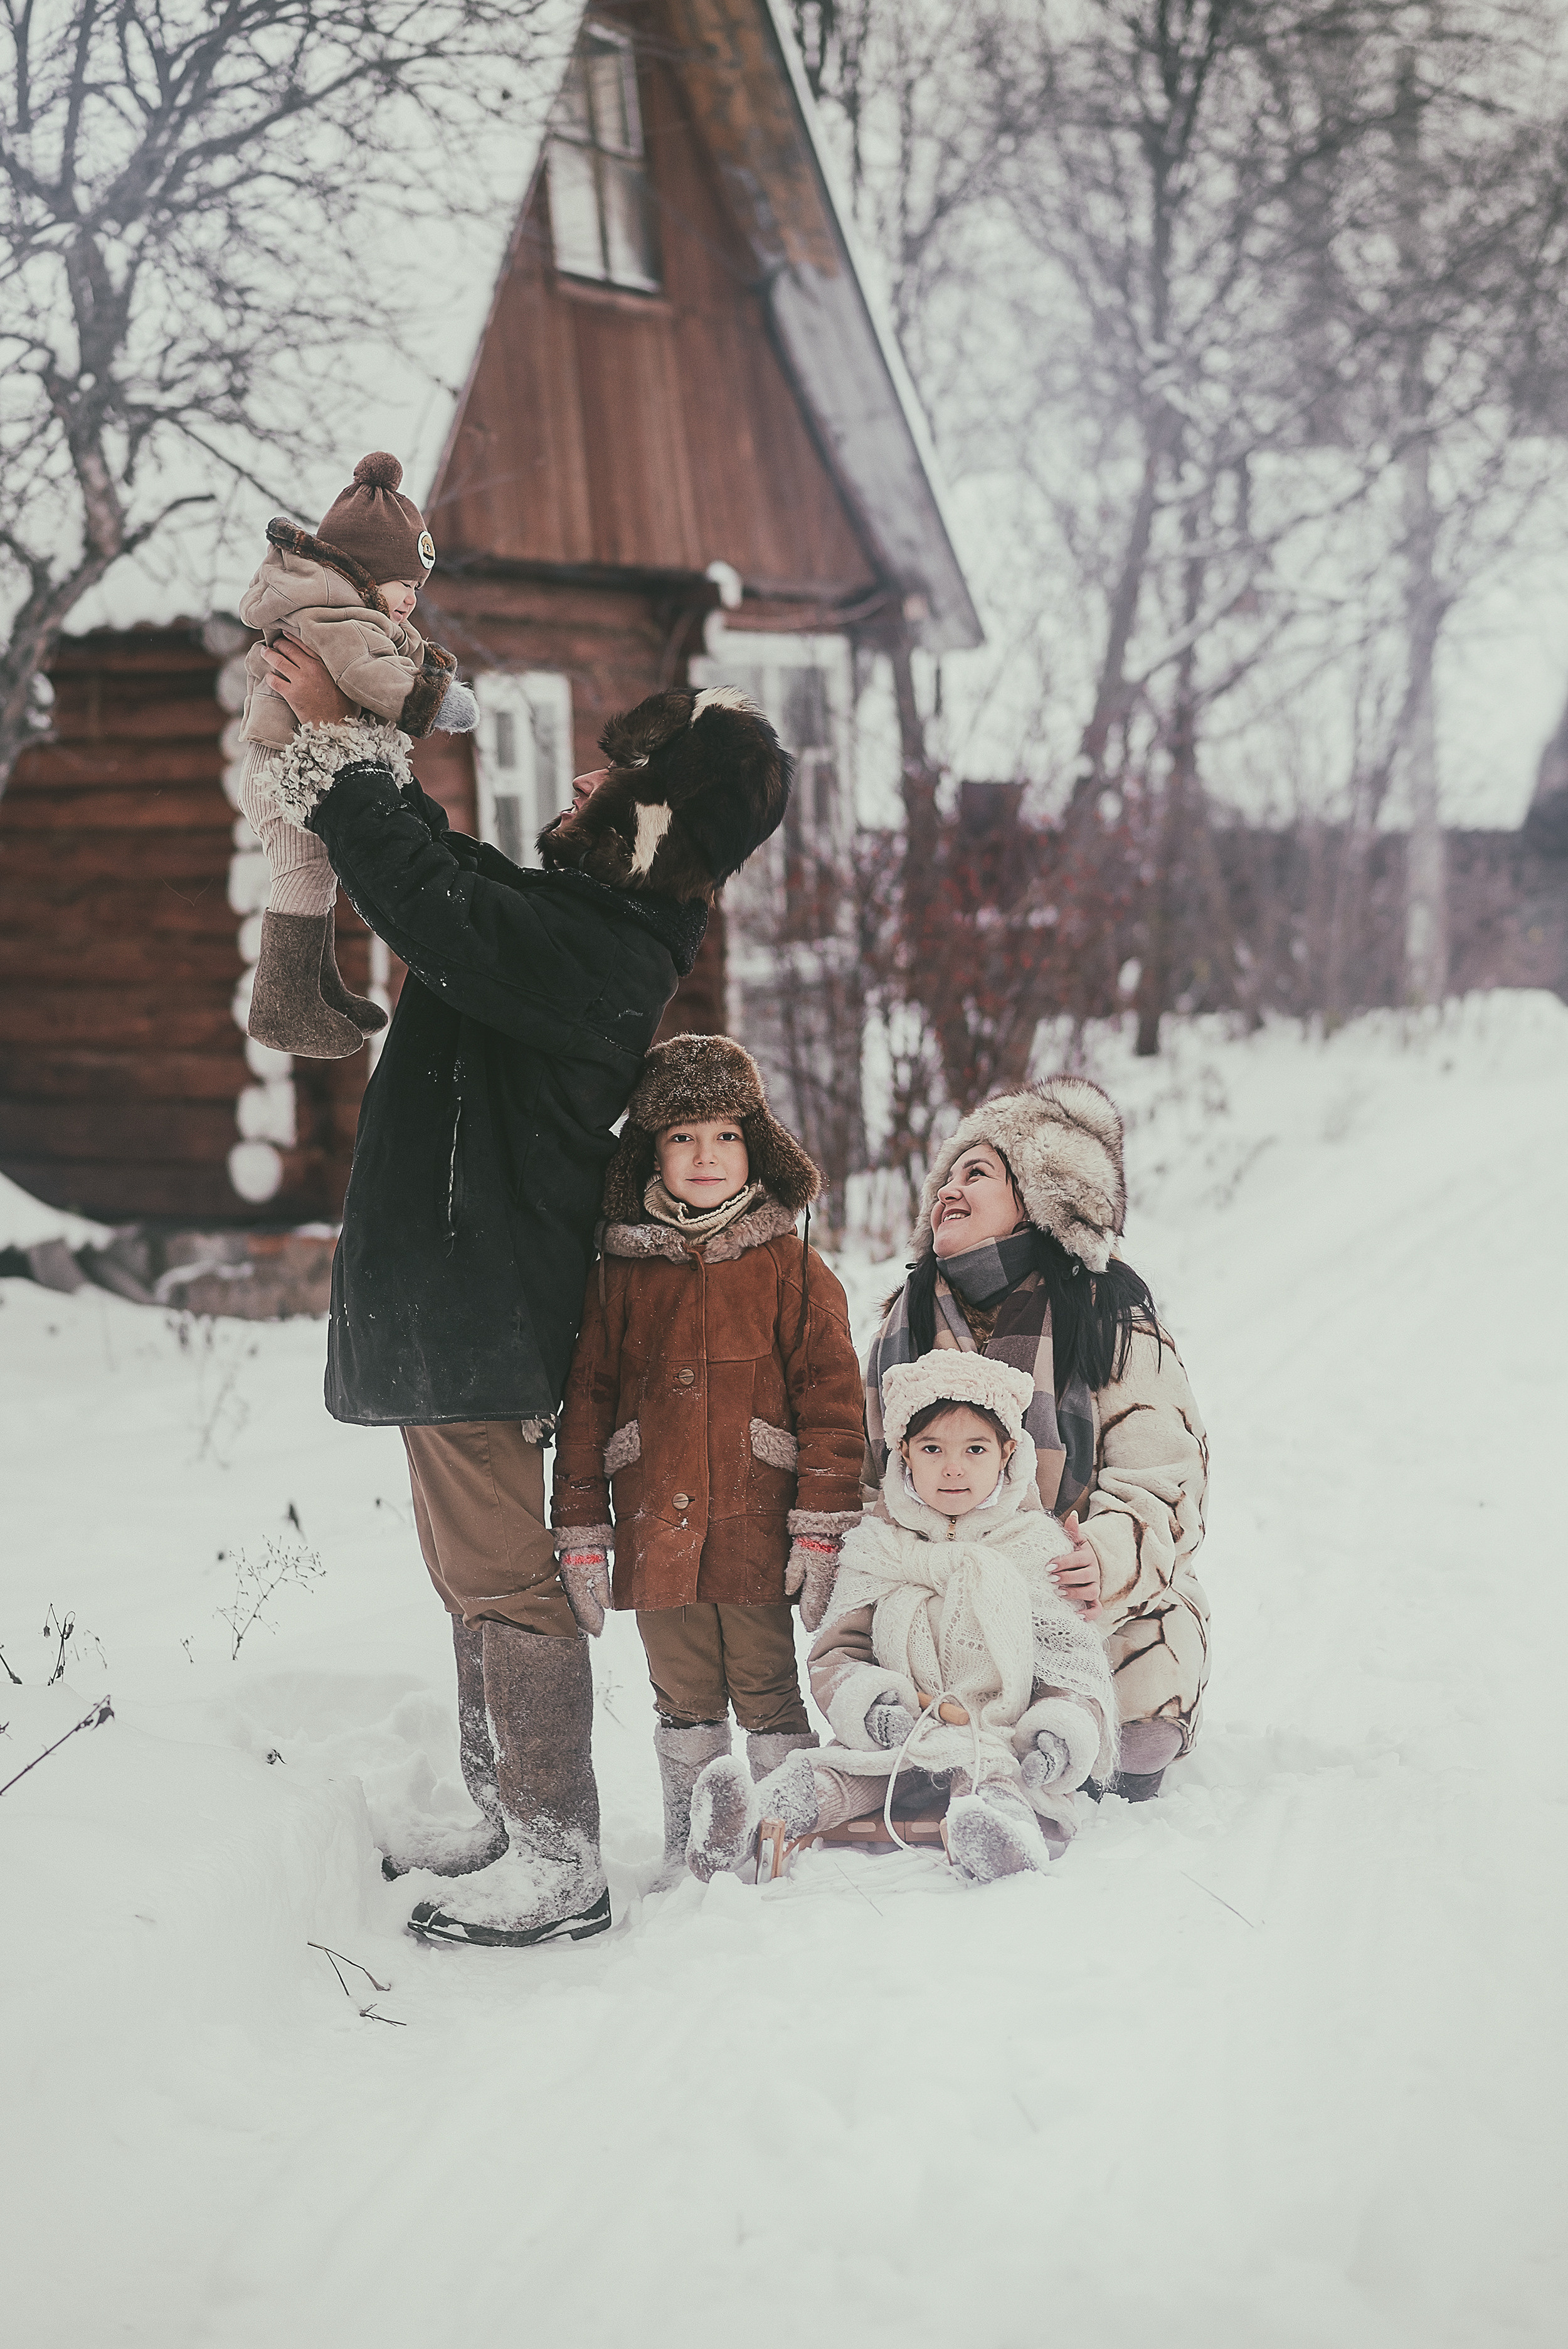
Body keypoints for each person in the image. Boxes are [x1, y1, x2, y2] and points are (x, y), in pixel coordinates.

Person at [258, 644, 792, 1945]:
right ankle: (505, 1819)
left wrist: (333, 751)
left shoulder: (598, 949)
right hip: (450, 1293)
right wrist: (363, 743)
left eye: (619, 768)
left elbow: (429, 902)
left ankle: (559, 1858)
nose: (587, 773)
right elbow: (439, 867)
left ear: (653, 816)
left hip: (480, 1298)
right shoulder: (577, 919)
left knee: (504, 1579)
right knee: (466, 1574)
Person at [549, 1033, 865, 1880]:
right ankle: (697, 1843)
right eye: (682, 1137)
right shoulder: (618, 1272)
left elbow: (835, 1405)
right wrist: (582, 1526)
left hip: (758, 1525)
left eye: (724, 1135)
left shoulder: (791, 1266)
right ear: (651, 1150)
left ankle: (777, 1834)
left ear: (755, 1145)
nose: (705, 1154)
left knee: (766, 1683)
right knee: (682, 1692)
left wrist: (823, 1528)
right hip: (656, 1525)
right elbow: (586, 1402)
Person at [862, 1074, 1209, 1799]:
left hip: (1073, 1592)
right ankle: (961, 1738)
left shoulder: (1108, 1316)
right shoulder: (906, 1326)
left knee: (1132, 1744)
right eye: (945, 1177)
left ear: (1040, 1197)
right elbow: (875, 1479)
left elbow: (1164, 1477)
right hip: (953, 1600)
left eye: (978, 1172)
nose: (948, 1191)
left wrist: (1104, 1557)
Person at [686, 1352, 1116, 1884]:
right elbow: (838, 1654)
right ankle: (742, 1826)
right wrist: (875, 1709)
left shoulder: (1032, 1546)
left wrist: (1056, 1733)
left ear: (1008, 1453)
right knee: (827, 1774)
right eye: (933, 1449)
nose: (953, 1467)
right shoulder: (877, 1548)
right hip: (898, 1733)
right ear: (905, 1455)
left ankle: (1000, 1837)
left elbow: (1069, 1661)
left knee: (991, 1781)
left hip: (994, 1736)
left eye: (975, 1449)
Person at [236, 452, 477, 1057]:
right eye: (405, 586)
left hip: (300, 763)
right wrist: (436, 704)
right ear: (368, 573)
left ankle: (315, 986)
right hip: (284, 767)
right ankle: (282, 1006)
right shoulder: (337, 618)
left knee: (320, 874)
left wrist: (427, 666)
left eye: (419, 590)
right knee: (305, 872)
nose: (411, 603)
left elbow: (400, 650)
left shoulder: (349, 609)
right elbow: (371, 675)